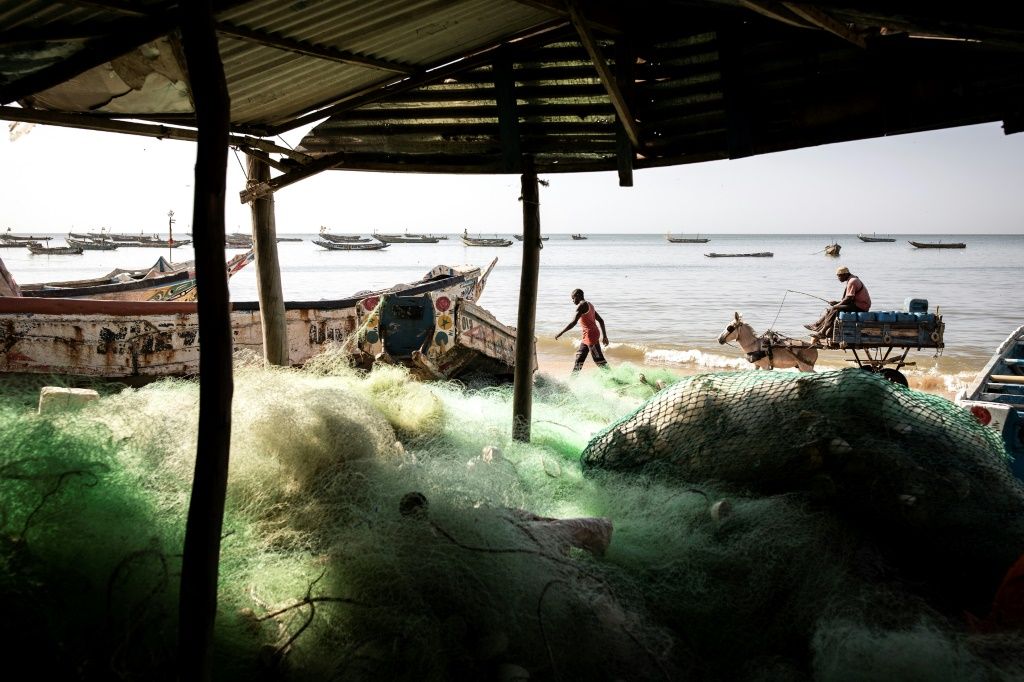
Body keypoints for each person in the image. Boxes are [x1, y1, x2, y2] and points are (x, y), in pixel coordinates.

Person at [805, 265, 871, 340]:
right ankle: (818, 325)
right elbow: (849, 299)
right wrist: (837, 303)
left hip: (861, 306)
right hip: (856, 304)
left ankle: (822, 332)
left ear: (845, 274)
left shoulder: (852, 281)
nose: (838, 278)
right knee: (832, 309)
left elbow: (849, 298)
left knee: (835, 309)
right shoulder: (852, 279)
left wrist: (836, 305)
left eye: (839, 276)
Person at [555, 288, 609, 372]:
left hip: (591, 336)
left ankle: (613, 378)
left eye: (573, 298)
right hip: (587, 336)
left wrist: (561, 332)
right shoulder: (590, 304)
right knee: (579, 358)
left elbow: (573, 323)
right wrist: (605, 336)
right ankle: (572, 380)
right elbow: (601, 320)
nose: (573, 301)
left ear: (578, 295)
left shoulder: (582, 305)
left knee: (598, 360)